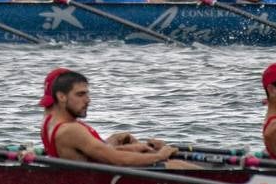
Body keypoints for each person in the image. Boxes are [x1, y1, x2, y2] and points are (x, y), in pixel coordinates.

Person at [38, 68, 180, 165]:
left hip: (85, 179)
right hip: (98, 183)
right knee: (176, 165)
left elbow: (85, 152)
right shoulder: (71, 130)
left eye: (87, 94)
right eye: (80, 94)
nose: (88, 100)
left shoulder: (49, 121)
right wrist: (159, 156)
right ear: (61, 97)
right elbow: (118, 160)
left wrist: (128, 147)